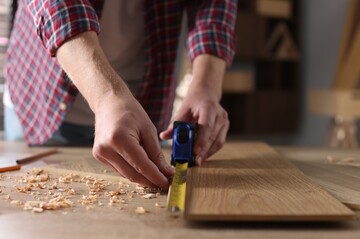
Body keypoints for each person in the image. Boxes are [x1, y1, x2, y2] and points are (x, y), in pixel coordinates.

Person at [4, 0, 237, 189]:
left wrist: (206, 87)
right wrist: (106, 95)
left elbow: (213, 6)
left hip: (143, 105)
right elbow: (59, 6)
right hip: (41, 103)